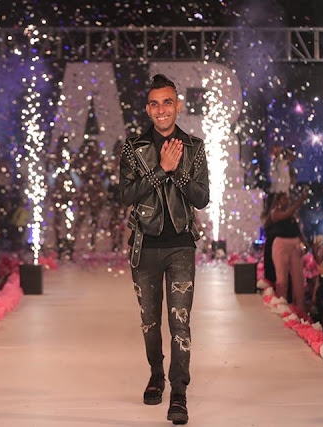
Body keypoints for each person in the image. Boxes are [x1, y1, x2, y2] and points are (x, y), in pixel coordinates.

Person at [118, 74, 209, 425]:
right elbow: (125, 195)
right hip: (145, 246)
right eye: (155, 103)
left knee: (180, 323)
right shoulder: (133, 147)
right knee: (150, 322)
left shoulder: (194, 147)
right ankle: (156, 374)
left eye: (167, 102)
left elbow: (202, 198)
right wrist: (161, 170)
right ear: (147, 109)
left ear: (178, 106)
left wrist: (178, 174)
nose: (161, 110)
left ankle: (179, 393)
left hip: (181, 245)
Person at [268, 190, 308, 312]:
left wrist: (305, 244)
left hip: (294, 244)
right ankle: (282, 306)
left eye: (287, 198)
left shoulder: (292, 217)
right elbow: (285, 215)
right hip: (281, 244)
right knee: (282, 279)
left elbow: (298, 232)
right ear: (278, 201)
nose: (287, 200)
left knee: (298, 279)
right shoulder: (275, 213)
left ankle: (300, 308)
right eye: (284, 198)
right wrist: (299, 202)